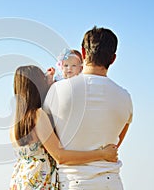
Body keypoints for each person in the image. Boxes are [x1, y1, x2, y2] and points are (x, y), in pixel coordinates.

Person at [43, 26, 133, 189]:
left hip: (73, 182)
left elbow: (49, 140)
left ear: (83, 54)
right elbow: (115, 145)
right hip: (112, 182)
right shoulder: (125, 97)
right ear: (113, 59)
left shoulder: (58, 90)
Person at [9, 65, 119, 190]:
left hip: (20, 182)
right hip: (39, 184)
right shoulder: (37, 115)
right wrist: (102, 154)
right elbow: (60, 156)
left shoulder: (16, 123)